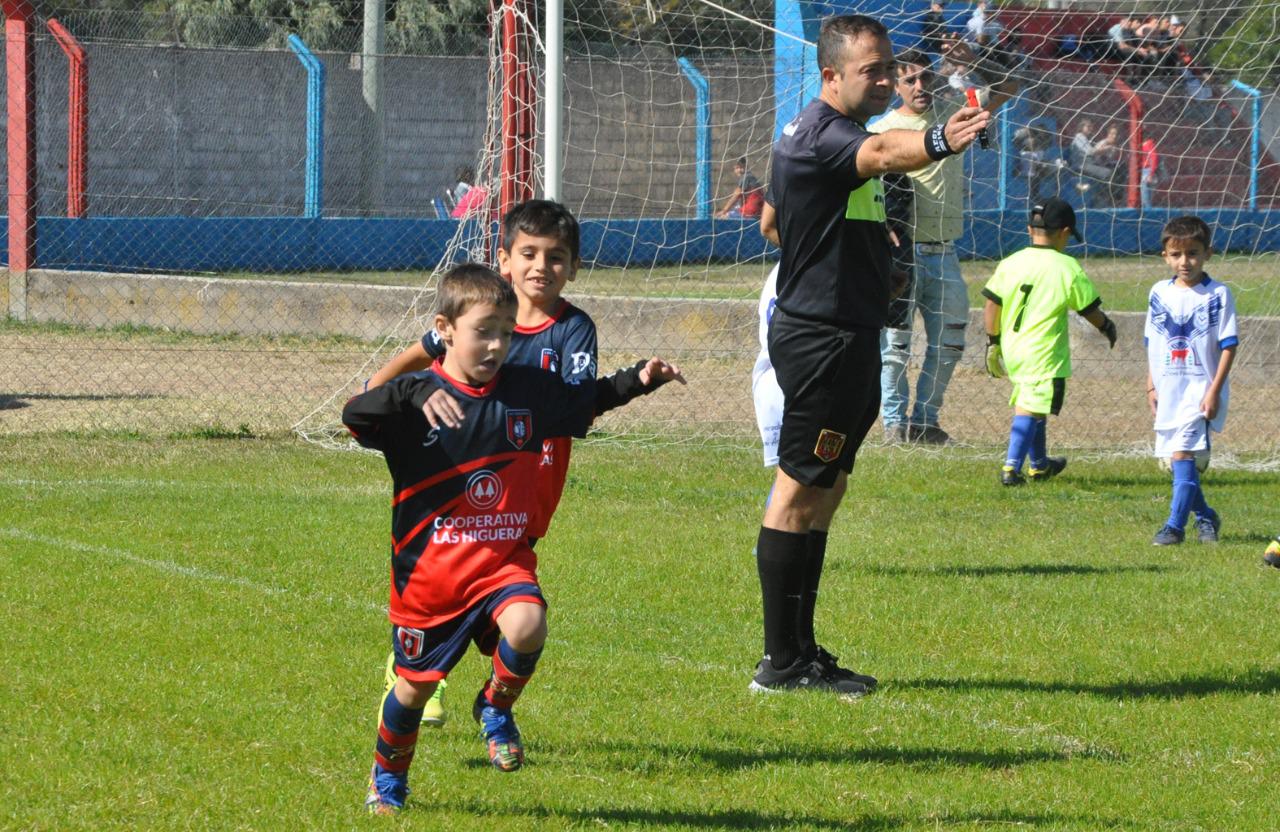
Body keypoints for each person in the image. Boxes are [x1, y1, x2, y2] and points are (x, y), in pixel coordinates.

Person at [367, 200, 685, 723]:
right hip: (461, 481)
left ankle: (476, 692)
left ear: (574, 267)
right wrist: (385, 391)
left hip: (528, 489)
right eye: (529, 253)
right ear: (505, 260)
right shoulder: (478, 316)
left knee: (498, 609)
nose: (541, 266)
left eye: (556, 257)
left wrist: (635, 381)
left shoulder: (573, 329)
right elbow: (415, 359)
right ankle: (420, 675)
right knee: (472, 588)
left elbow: (573, 406)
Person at [752, 13, 990, 696]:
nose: (886, 80)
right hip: (823, 337)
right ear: (830, 76)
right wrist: (943, 136)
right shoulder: (827, 135)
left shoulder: (826, 136)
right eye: (873, 71)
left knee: (828, 486)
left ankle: (801, 650)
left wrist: (854, 248)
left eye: (890, 68)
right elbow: (886, 155)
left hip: (847, 330)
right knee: (800, 487)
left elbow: (778, 220)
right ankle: (780, 663)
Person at [344, 264, 593, 813]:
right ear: (446, 329)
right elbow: (354, 413)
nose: (498, 343)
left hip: (501, 560)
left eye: (507, 332)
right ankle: (387, 781)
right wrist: (409, 393)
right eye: (485, 330)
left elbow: (582, 404)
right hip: (430, 579)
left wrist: (638, 381)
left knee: (527, 624)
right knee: (412, 691)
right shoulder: (419, 398)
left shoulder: (524, 390)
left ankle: (495, 707)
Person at [871, 46, 1017, 444]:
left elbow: (1008, 84)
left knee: (950, 342)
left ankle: (926, 422)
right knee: (895, 344)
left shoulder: (959, 110)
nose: (920, 86)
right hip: (902, 253)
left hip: (945, 250)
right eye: (911, 79)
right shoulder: (881, 129)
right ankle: (894, 425)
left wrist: (973, 56)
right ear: (895, 84)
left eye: (927, 77)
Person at [982, 197, 1117, 486]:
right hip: (1044, 352)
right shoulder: (1066, 266)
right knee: (1031, 408)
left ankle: (1040, 465)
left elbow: (992, 304)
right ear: (1065, 232)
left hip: (1013, 348)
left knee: (1033, 404)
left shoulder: (1011, 262)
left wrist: (993, 341)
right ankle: (1011, 468)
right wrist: (1106, 326)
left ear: (1030, 230)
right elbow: (1088, 309)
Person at [1145, 215, 1238, 546]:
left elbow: (1229, 345)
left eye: (1193, 253)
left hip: (1200, 392)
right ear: (1165, 256)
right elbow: (1152, 342)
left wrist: (1214, 391)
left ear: (1208, 253)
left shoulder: (1218, 294)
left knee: (1183, 456)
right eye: (1176, 255)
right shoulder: (1159, 293)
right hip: (1169, 390)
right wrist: (1151, 384)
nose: (1185, 262)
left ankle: (1173, 527)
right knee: (1177, 463)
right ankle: (1206, 516)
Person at [1068, 119, 1118, 206]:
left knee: (1108, 172)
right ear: (1081, 127)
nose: (1090, 128)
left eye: (1091, 126)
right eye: (1088, 126)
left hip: (1086, 164)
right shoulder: (1080, 137)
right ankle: (1107, 198)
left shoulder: (1084, 138)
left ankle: (1101, 197)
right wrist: (1106, 148)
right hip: (1082, 165)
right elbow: (1091, 152)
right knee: (1108, 173)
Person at [1140, 137, 1160, 209]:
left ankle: (1148, 211)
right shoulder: (1139, 144)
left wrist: (1151, 174)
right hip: (1141, 171)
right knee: (1144, 196)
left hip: (1146, 171)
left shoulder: (1148, 144)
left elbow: (1154, 157)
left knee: (1145, 197)